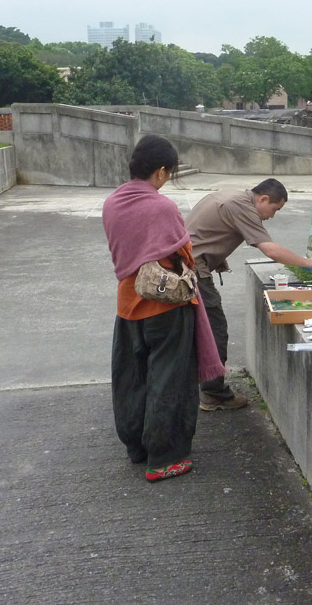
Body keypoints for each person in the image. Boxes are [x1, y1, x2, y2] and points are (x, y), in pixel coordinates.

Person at [101, 135, 225, 483]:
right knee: (169, 379)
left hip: (127, 302)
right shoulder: (162, 207)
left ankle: (136, 447)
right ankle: (165, 457)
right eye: (167, 173)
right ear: (159, 171)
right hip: (165, 306)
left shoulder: (112, 202)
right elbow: (182, 252)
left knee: (133, 377)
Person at [186, 178, 312, 410]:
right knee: (215, 331)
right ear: (263, 199)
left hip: (186, 265)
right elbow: (269, 249)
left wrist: (215, 254)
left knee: (196, 330)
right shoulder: (243, 207)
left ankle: (197, 386)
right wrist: (306, 262)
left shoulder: (234, 194)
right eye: (274, 209)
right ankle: (214, 394)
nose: (272, 216)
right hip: (192, 273)